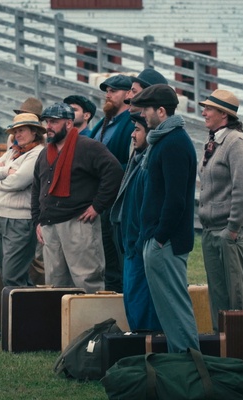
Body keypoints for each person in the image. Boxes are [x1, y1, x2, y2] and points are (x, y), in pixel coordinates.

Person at [130, 84, 199, 353]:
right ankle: (181, 367)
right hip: (159, 240)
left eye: (146, 110)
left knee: (175, 309)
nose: (143, 115)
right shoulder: (165, 140)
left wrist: (159, 238)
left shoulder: (173, 143)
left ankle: (190, 370)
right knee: (168, 312)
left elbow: (176, 200)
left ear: (161, 110)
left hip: (166, 242)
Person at [31, 103, 122, 293]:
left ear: (69, 124)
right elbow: (37, 188)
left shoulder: (88, 147)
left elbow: (114, 172)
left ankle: (94, 323)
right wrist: (37, 220)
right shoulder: (44, 153)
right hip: (50, 224)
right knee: (55, 283)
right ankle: (62, 323)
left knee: (87, 280)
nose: (49, 126)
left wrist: (97, 206)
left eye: (54, 122)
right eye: (47, 122)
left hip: (78, 222)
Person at [197, 89, 243, 331]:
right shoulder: (214, 142)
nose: (204, 112)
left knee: (238, 298)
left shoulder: (236, 142)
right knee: (218, 299)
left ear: (224, 114)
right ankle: (222, 350)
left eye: (209, 108)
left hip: (231, 232)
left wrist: (232, 229)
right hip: (212, 231)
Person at [110, 113, 161, 331]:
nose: (132, 134)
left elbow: (150, 207)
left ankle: (146, 347)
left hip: (139, 243)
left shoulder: (148, 162)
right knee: (131, 299)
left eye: (138, 130)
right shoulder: (137, 158)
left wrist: (140, 241)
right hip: (130, 241)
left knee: (142, 302)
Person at [0, 113, 45, 287]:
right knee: (9, 273)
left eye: (22, 130)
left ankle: (21, 312)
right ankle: (25, 311)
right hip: (2, 216)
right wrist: (6, 172)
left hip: (21, 219)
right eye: (15, 131)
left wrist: (0, 175)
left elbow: (17, 182)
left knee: (12, 275)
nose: (17, 135)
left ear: (34, 132)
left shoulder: (37, 154)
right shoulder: (14, 152)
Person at [91, 74, 134, 292]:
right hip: (100, 198)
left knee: (118, 258)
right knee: (106, 259)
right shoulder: (104, 121)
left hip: (117, 199)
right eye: (107, 90)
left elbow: (129, 164)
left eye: (113, 91)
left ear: (128, 94)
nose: (108, 95)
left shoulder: (130, 123)